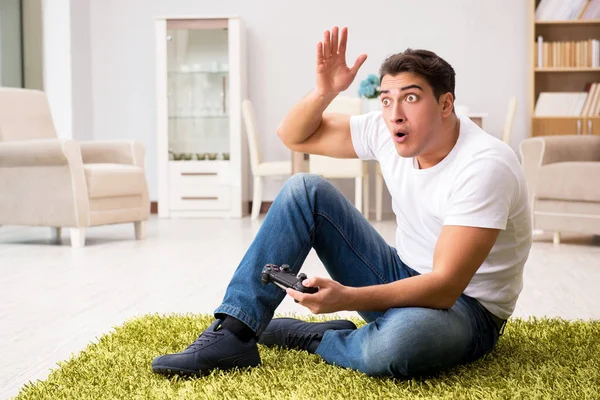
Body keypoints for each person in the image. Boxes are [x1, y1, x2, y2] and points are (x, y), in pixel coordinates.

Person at [152, 26, 532, 379]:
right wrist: (325, 91)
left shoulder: (485, 165)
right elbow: (293, 136)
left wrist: (347, 298)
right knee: (305, 189)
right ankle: (233, 332)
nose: (395, 113)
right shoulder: (388, 129)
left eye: (411, 98)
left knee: (399, 344)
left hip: (468, 310)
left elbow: (446, 287)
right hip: (400, 272)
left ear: (446, 103)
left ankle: (314, 338)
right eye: (386, 100)